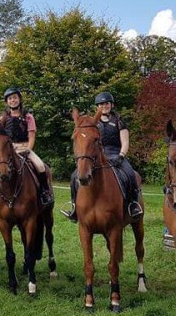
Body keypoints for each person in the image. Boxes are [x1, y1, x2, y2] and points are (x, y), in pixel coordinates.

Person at [61, 91, 143, 221]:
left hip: (116, 154)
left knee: (130, 174)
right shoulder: (94, 122)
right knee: (74, 176)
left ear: (111, 105)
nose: (104, 106)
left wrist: (121, 156)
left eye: (107, 103)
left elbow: (125, 142)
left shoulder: (119, 121)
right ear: (97, 107)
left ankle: (133, 205)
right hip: (98, 156)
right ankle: (74, 207)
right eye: (101, 104)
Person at [0, 87, 54, 209]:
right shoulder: (3, 118)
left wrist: (28, 149)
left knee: (41, 166)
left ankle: (44, 193)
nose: (13, 100)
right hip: (9, 150)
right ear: (7, 102)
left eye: (15, 98)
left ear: (19, 99)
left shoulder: (28, 116)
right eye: (10, 98)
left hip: (25, 147)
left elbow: (31, 136)